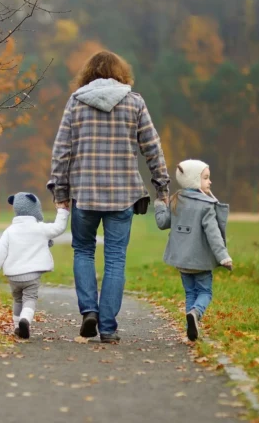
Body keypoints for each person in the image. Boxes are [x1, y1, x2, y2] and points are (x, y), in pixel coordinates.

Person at [47, 50, 169, 343]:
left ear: (87, 74)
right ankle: (109, 328)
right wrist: (162, 187)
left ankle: (89, 310)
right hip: (122, 195)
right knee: (115, 259)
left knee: (83, 251)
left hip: (85, 195)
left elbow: (61, 150)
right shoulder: (134, 102)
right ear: (120, 73)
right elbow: (152, 148)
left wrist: (61, 192)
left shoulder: (76, 103)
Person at [154, 159, 233, 342]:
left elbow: (162, 223)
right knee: (205, 293)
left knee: (190, 293)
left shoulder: (175, 200)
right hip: (201, 262)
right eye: (206, 178)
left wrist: (159, 204)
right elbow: (214, 235)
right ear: (194, 181)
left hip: (181, 261)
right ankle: (196, 314)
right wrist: (223, 257)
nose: (210, 182)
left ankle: (191, 329)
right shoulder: (206, 205)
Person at [0, 192, 69, 339]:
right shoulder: (40, 228)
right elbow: (58, 228)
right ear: (35, 208)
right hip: (31, 276)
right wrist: (62, 210)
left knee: (17, 300)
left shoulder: (10, 231)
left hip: (13, 277)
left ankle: (18, 326)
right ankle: (25, 320)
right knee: (29, 298)